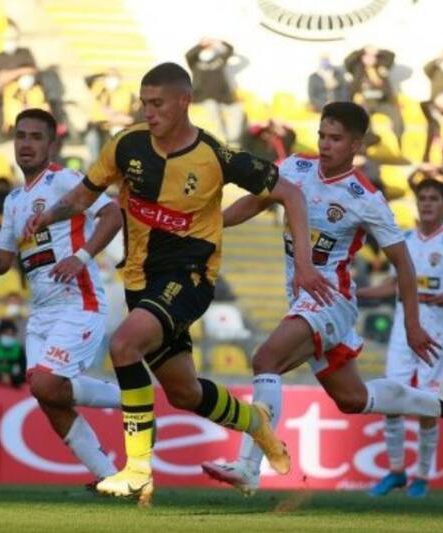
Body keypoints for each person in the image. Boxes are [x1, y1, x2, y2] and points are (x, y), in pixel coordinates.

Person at [23, 62, 331, 503]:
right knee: (184, 392)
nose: (148, 112)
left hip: (190, 277)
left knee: (124, 345)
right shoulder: (126, 144)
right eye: (144, 103)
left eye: (157, 104)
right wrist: (48, 215)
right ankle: (254, 422)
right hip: (140, 280)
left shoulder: (214, 156)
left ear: (184, 101)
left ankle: (136, 469)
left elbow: (291, 194)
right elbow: (82, 197)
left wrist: (303, 262)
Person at [201, 101, 443, 496]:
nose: (325, 144)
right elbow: (254, 203)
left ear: (356, 143)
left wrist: (411, 325)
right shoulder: (294, 169)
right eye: (322, 135)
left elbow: (404, 265)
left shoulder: (366, 198)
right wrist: (209, 224)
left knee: (265, 359)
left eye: (335, 138)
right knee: (354, 399)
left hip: (330, 300)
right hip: (303, 299)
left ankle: (250, 466)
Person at [0, 108, 125, 486]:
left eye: (36, 137)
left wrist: (81, 256)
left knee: (44, 383)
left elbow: (113, 215)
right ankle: (108, 477)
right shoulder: (13, 201)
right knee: (48, 397)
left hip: (78, 300)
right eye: (21, 136)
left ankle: (134, 398)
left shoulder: (67, 181)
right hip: (41, 312)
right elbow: (1, 261)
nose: (26, 144)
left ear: (51, 143)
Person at [357, 177, 443, 498]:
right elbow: (393, 285)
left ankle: (423, 477)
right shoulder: (405, 240)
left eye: (433, 198)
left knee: (429, 405)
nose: (427, 203)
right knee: (390, 401)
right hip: (403, 333)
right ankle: (396, 471)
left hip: (437, 335)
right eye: (422, 198)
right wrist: (356, 292)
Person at [185, 38, 245, 147]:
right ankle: (219, 143)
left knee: (237, 112)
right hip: (204, 98)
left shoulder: (219, 60)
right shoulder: (195, 63)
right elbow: (189, 54)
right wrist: (202, 45)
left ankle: (232, 141)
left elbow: (230, 50)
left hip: (224, 97)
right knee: (213, 112)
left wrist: (218, 42)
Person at [345, 46, 404, 139]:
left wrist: (376, 51)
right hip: (364, 102)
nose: (370, 59)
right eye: (367, 57)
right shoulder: (357, 69)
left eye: (372, 57)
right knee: (362, 115)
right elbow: (348, 60)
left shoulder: (381, 68)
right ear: (362, 58)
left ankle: (398, 138)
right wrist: (363, 50)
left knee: (395, 115)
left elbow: (391, 56)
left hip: (381, 102)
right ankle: (368, 138)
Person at [84, 69, 138, 164]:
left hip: (116, 127)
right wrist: (101, 73)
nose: (110, 80)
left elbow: (132, 115)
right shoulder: (99, 89)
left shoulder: (126, 93)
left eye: (113, 77)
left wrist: (116, 118)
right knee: (93, 153)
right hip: (96, 127)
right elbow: (87, 79)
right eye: (108, 77)